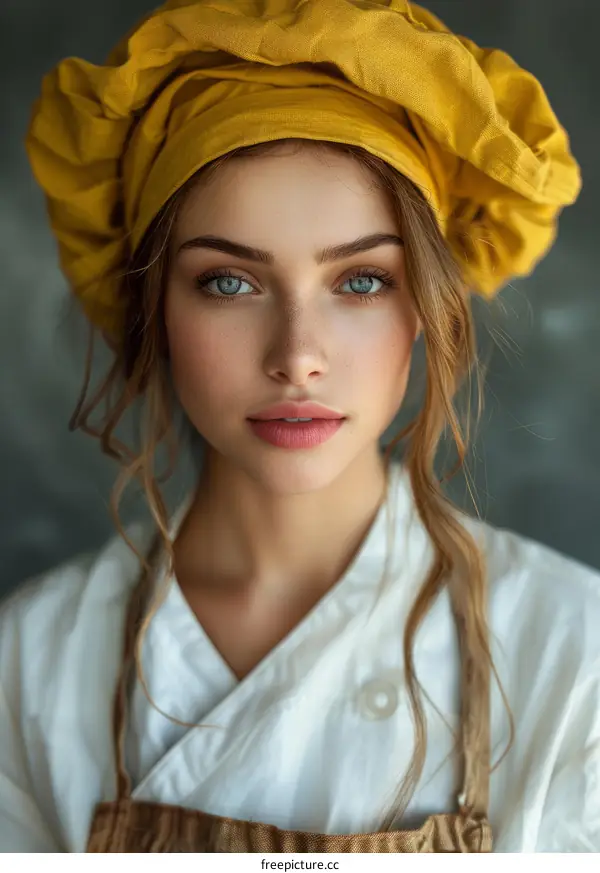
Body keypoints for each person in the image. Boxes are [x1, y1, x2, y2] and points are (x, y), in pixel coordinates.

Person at [1, 0, 598, 854]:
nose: (297, 356)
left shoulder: (574, 656)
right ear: (154, 308)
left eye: (360, 281)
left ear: (428, 307)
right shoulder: (29, 661)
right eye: (228, 282)